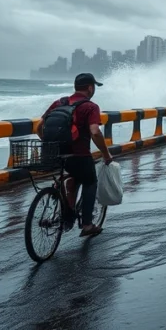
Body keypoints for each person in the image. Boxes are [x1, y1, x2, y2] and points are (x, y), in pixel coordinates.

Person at [40, 73, 113, 237]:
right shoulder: (90, 107)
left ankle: (68, 214)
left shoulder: (59, 103)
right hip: (79, 155)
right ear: (90, 87)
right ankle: (87, 225)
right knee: (90, 181)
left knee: (71, 179)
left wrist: (48, 144)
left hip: (55, 155)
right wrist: (106, 154)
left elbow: (39, 126)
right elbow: (95, 132)